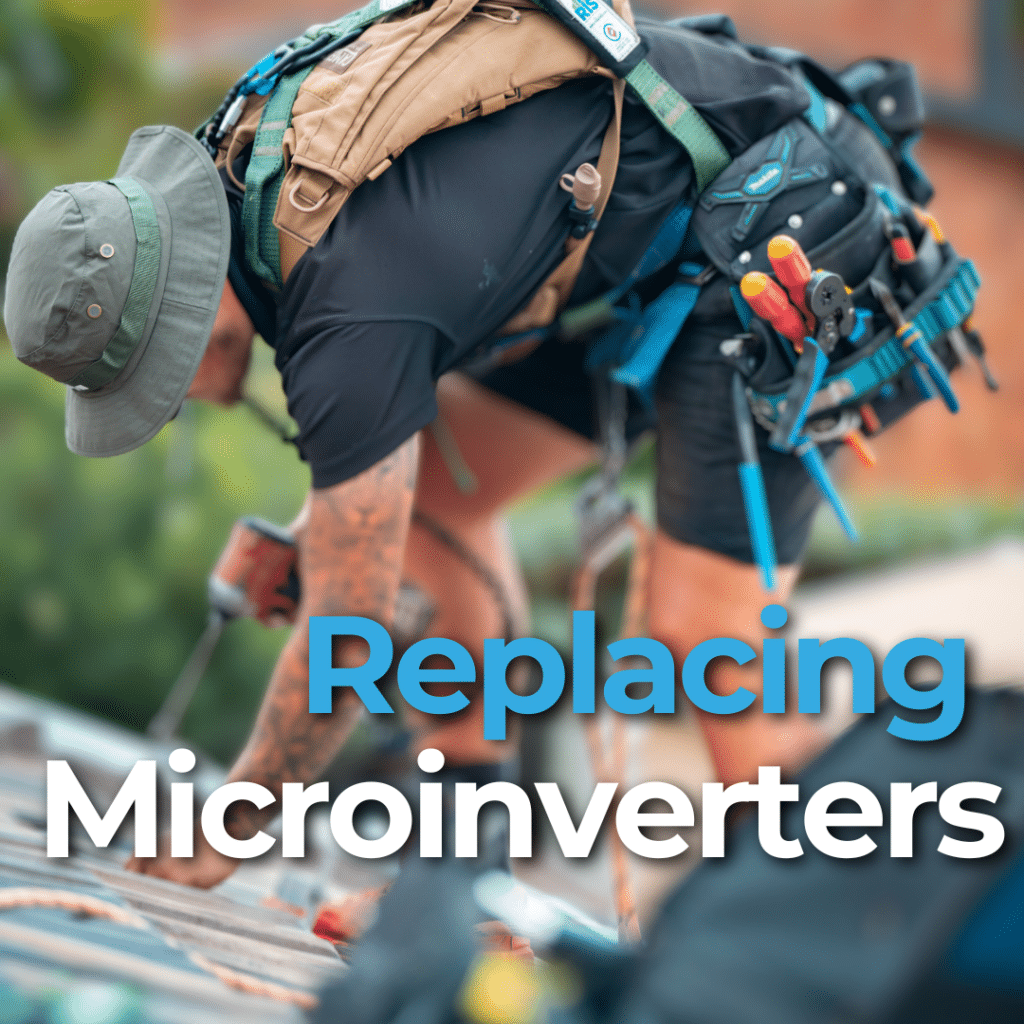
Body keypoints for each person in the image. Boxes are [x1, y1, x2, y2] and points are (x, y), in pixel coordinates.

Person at [2, 11, 947, 890]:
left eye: (142, 387)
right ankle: (460, 878)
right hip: (639, 241)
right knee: (438, 502)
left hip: (785, 212)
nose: (161, 411)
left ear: (189, 326)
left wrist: (229, 830)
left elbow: (349, 633)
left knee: (709, 635)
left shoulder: (343, 307)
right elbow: (405, 336)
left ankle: (858, 931)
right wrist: (320, 530)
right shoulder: (246, 168)